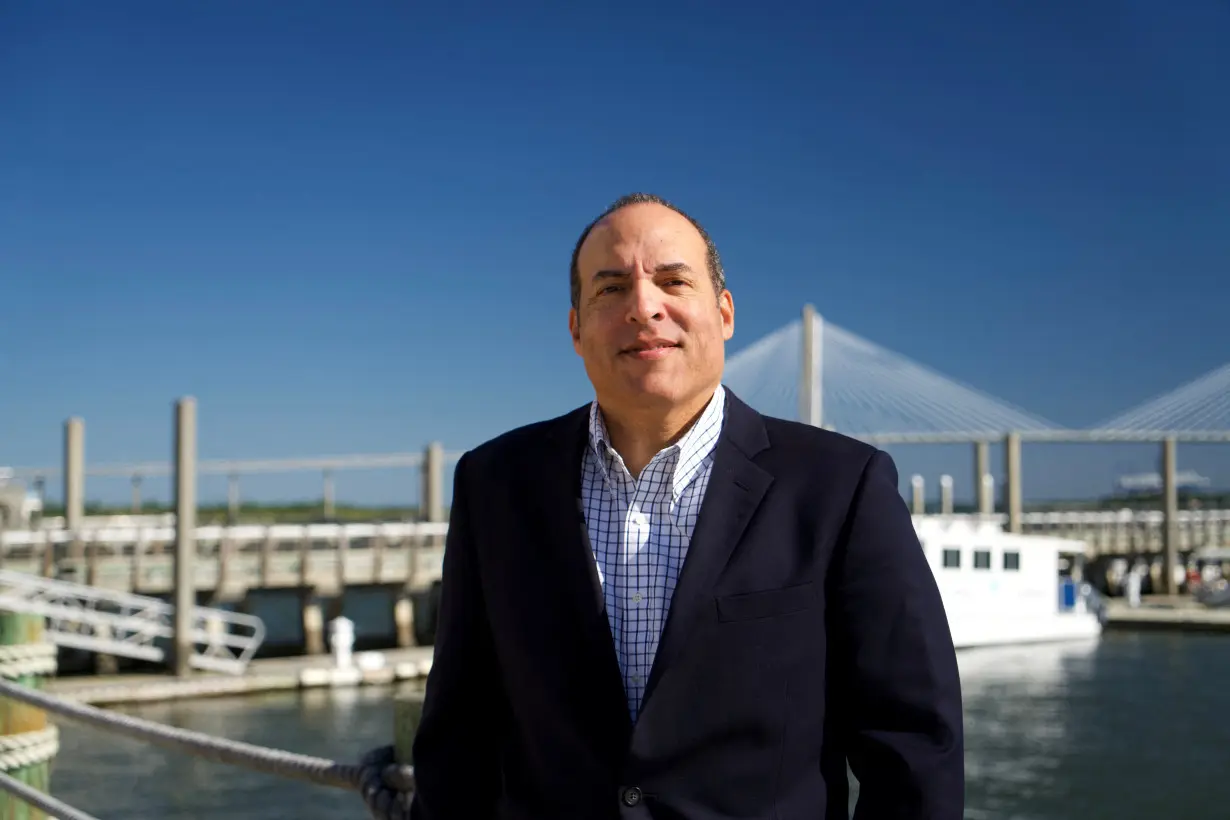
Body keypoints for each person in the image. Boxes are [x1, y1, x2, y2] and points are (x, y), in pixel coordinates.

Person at [410, 193, 964, 819]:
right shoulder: (494, 485)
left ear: (724, 313)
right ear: (575, 329)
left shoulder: (841, 486)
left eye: (673, 281)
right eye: (610, 289)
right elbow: (458, 736)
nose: (644, 307)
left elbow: (915, 749)